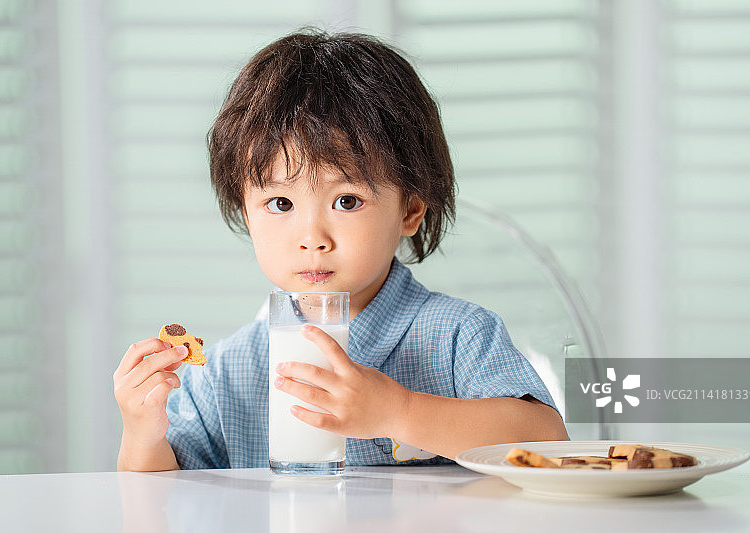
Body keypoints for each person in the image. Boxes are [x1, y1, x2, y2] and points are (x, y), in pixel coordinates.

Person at [114, 28, 568, 472]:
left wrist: (400, 411)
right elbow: (158, 498)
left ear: (410, 209)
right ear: (245, 212)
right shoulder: (228, 371)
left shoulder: (457, 337)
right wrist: (142, 434)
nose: (312, 237)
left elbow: (548, 442)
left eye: (346, 201)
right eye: (280, 203)